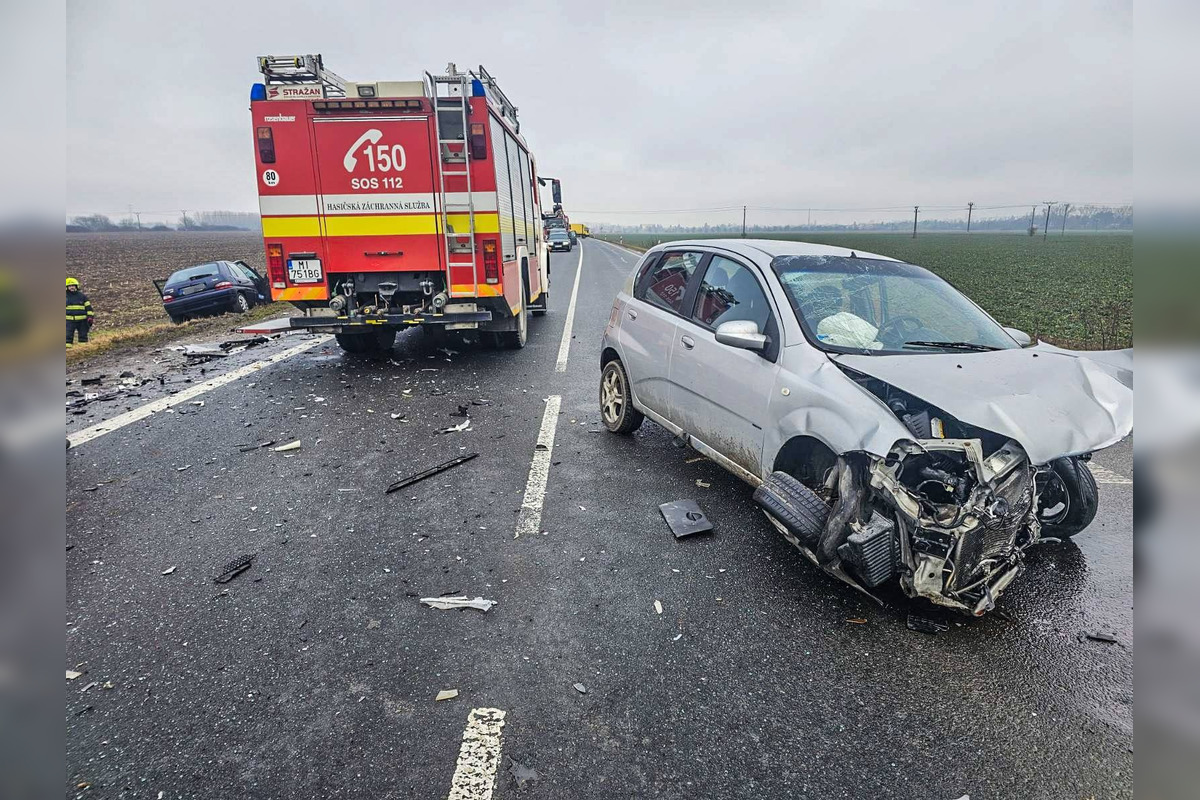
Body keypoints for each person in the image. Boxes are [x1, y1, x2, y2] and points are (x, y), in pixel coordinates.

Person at [65, 277, 94, 347]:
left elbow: (89, 308)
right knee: (68, 336)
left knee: (83, 336)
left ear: (76, 286)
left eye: (73, 286)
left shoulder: (82, 296)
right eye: (70, 286)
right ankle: (68, 351)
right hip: (69, 321)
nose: (72, 287)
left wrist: (90, 317)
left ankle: (83, 349)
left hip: (82, 321)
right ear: (67, 287)